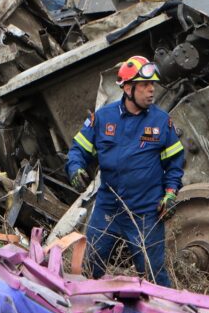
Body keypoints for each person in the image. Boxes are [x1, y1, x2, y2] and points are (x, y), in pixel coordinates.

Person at [65, 55, 184, 287]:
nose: (151, 90)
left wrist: (170, 192)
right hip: (108, 207)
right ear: (128, 88)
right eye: (145, 85)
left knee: (154, 277)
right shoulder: (102, 118)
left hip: (146, 212)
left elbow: (175, 164)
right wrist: (75, 168)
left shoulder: (162, 122)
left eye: (153, 85)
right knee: (90, 270)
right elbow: (78, 149)